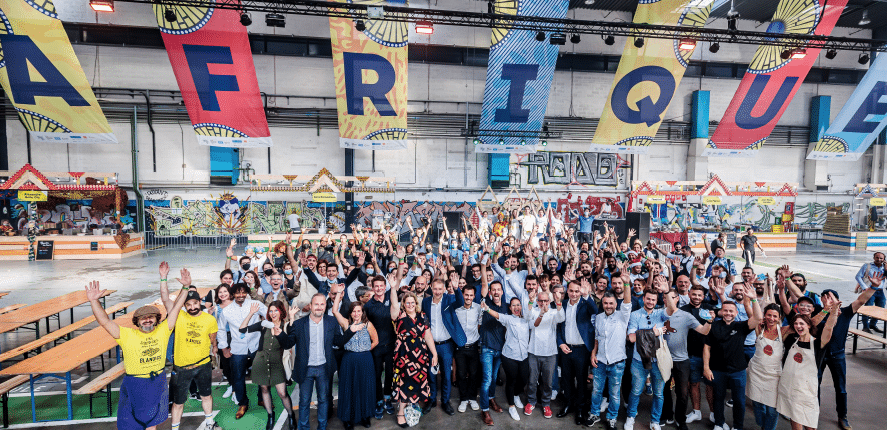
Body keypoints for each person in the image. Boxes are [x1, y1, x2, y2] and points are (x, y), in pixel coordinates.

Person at [85, 264, 189, 430]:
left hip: (158, 381)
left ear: (156, 319)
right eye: (143, 318)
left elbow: (176, 308)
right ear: (137, 322)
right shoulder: (126, 335)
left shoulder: (163, 330)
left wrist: (185, 287)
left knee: (152, 424)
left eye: (151, 317)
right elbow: (104, 321)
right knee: (130, 423)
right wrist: (93, 300)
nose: (147, 320)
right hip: (136, 383)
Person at [817, 274, 882, 430]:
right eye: (824, 298)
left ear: (838, 301)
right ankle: (813, 412)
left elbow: (861, 300)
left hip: (837, 355)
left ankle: (842, 417)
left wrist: (873, 287)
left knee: (841, 388)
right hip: (819, 355)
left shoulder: (846, 313)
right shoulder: (819, 314)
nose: (828, 301)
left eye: (831, 298)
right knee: (814, 385)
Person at [704, 283, 762, 430]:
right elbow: (707, 347)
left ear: (736, 313)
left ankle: (737, 426)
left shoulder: (741, 326)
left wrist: (754, 300)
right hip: (718, 370)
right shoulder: (714, 325)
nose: (728, 313)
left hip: (738, 371)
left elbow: (758, 318)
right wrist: (706, 367)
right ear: (721, 312)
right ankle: (719, 423)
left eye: (731, 311)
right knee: (718, 398)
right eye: (726, 310)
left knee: (739, 401)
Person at [276, 293, 339, 430]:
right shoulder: (299, 324)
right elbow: (288, 343)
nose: (319, 307)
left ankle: (322, 426)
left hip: (324, 368)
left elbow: (338, 341)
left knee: (323, 400)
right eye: (316, 304)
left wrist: (351, 331)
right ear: (310, 306)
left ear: (325, 306)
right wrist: (280, 334)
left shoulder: (331, 321)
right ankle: (303, 427)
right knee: (304, 402)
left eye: (322, 304)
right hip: (306, 368)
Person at [777, 305, 840, 430]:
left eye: (802, 323)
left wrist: (833, 313)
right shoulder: (790, 340)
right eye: (796, 323)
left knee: (810, 423)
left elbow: (828, 328)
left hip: (806, 390)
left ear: (809, 326)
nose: (798, 326)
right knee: (794, 420)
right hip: (789, 387)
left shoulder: (818, 343)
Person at [166, 286, 218, 430]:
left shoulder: (209, 319)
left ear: (200, 301)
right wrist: (165, 279)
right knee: (178, 402)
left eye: (195, 303)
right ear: (184, 305)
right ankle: (174, 428)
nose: (192, 307)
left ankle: (210, 423)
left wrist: (214, 348)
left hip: (203, 365)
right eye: (188, 304)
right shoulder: (179, 316)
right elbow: (166, 300)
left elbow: (212, 338)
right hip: (182, 368)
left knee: (206, 395)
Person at [661, 287, 712, 430]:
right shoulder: (659, 314)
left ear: (677, 298)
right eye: (666, 297)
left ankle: (680, 420)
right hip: (664, 360)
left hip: (682, 360)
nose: (668, 300)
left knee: (682, 393)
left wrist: (709, 322)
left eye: (671, 297)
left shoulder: (686, 316)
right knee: (664, 390)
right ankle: (667, 415)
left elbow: (703, 330)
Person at [624, 283, 674, 430]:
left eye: (653, 299)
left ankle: (655, 421)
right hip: (639, 360)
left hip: (658, 361)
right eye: (648, 299)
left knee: (658, 394)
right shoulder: (635, 314)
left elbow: (671, 309)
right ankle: (631, 417)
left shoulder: (660, 313)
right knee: (636, 391)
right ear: (643, 299)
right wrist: (654, 333)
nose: (650, 302)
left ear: (656, 300)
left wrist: (666, 291)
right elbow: (631, 338)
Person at [239, 301, 295, 430]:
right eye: (270, 311)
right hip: (261, 360)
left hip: (277, 361)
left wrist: (291, 318)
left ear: (281, 311)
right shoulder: (264, 324)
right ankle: (270, 415)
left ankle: (291, 416)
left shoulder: (286, 325)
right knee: (264, 389)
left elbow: (289, 343)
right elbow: (242, 329)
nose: (273, 313)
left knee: (282, 393)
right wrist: (251, 313)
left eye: (276, 310)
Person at [587, 273, 633, 430]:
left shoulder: (622, 316)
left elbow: (627, 302)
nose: (608, 306)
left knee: (614, 394)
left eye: (611, 303)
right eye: (606, 303)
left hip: (617, 363)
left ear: (615, 304)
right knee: (596, 391)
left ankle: (612, 417)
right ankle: (594, 414)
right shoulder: (599, 318)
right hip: (599, 361)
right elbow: (597, 338)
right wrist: (593, 353)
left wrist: (626, 284)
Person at [389, 285, 438, 427]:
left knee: (417, 381)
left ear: (416, 303)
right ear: (403, 304)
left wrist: (434, 353)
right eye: (407, 302)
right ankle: (400, 412)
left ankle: (412, 408)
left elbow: (427, 335)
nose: (410, 305)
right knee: (403, 383)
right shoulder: (399, 315)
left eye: (412, 302)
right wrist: (393, 289)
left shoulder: (422, 316)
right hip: (403, 354)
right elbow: (393, 305)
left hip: (420, 355)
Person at [217, 282, 267, 419]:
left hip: (256, 345)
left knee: (261, 373)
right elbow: (221, 329)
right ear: (233, 294)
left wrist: (267, 330)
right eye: (237, 292)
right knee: (238, 377)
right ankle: (243, 403)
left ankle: (262, 398)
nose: (240, 295)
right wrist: (224, 348)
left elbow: (269, 314)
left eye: (243, 292)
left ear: (246, 293)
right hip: (237, 348)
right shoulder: (226, 311)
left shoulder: (255, 304)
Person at [331, 293, 379, 430]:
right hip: (349, 360)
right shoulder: (346, 323)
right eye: (354, 311)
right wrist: (339, 294)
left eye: (359, 311)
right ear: (350, 313)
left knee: (365, 388)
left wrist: (364, 350)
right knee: (349, 389)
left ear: (362, 312)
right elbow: (334, 311)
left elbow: (376, 341)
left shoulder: (368, 324)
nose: (356, 313)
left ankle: (365, 416)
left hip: (365, 360)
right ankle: (348, 418)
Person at [421, 278, 465, 416]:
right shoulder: (426, 302)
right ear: (431, 288)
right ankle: (431, 400)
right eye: (435, 289)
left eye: (440, 289)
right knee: (430, 374)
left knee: (446, 375)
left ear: (444, 289)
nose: (437, 291)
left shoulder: (450, 299)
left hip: (446, 345)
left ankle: (445, 401)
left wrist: (457, 289)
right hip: (431, 345)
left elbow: (461, 302)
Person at [556, 279, 597, 425]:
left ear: (581, 291)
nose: (574, 294)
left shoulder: (586, 303)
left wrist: (586, 295)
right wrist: (560, 343)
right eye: (571, 291)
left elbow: (596, 311)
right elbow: (559, 326)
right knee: (566, 379)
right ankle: (568, 404)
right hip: (566, 348)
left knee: (581, 380)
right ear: (567, 290)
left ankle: (580, 409)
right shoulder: (563, 304)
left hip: (581, 350)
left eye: (577, 291)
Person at [483, 296, 531, 422]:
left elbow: (531, 313)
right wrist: (487, 309)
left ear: (521, 307)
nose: (516, 307)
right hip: (509, 355)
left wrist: (531, 301)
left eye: (518, 305)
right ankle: (511, 406)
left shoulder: (526, 319)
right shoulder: (508, 319)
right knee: (511, 380)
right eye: (513, 305)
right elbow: (497, 315)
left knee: (524, 379)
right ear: (510, 308)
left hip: (524, 356)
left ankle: (515, 395)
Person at [524, 289, 565, 419]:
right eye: (540, 300)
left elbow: (561, 317)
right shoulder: (534, 310)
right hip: (534, 351)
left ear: (549, 301)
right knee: (532, 380)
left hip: (550, 352)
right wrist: (532, 304)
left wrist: (558, 302)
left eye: (545, 300)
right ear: (537, 301)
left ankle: (546, 404)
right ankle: (531, 402)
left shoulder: (554, 312)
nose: (543, 303)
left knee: (548, 381)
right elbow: (527, 317)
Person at [477, 264, 507, 425]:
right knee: (487, 379)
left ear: (502, 292)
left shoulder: (506, 306)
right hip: (487, 348)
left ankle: (491, 399)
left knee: (494, 378)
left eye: (498, 289)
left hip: (500, 348)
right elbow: (483, 283)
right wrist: (484, 264)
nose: (496, 292)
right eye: (493, 289)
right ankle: (485, 410)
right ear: (490, 292)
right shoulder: (486, 301)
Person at [453, 284, 483, 413]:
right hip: (459, 347)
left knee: (474, 373)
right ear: (462, 295)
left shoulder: (478, 308)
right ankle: (464, 399)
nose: (468, 297)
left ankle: (472, 398)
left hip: (473, 346)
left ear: (474, 296)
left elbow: (479, 325)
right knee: (460, 374)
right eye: (466, 295)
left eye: (471, 295)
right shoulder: (456, 308)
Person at [856, 252, 885, 333]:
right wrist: (865, 287)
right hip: (870, 290)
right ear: (874, 258)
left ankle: (872, 324)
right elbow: (858, 276)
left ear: (884, 259)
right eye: (877, 257)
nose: (879, 259)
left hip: (880, 291)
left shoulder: (884, 267)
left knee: (881, 307)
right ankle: (865, 326)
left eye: (881, 258)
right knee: (867, 308)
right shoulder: (867, 266)